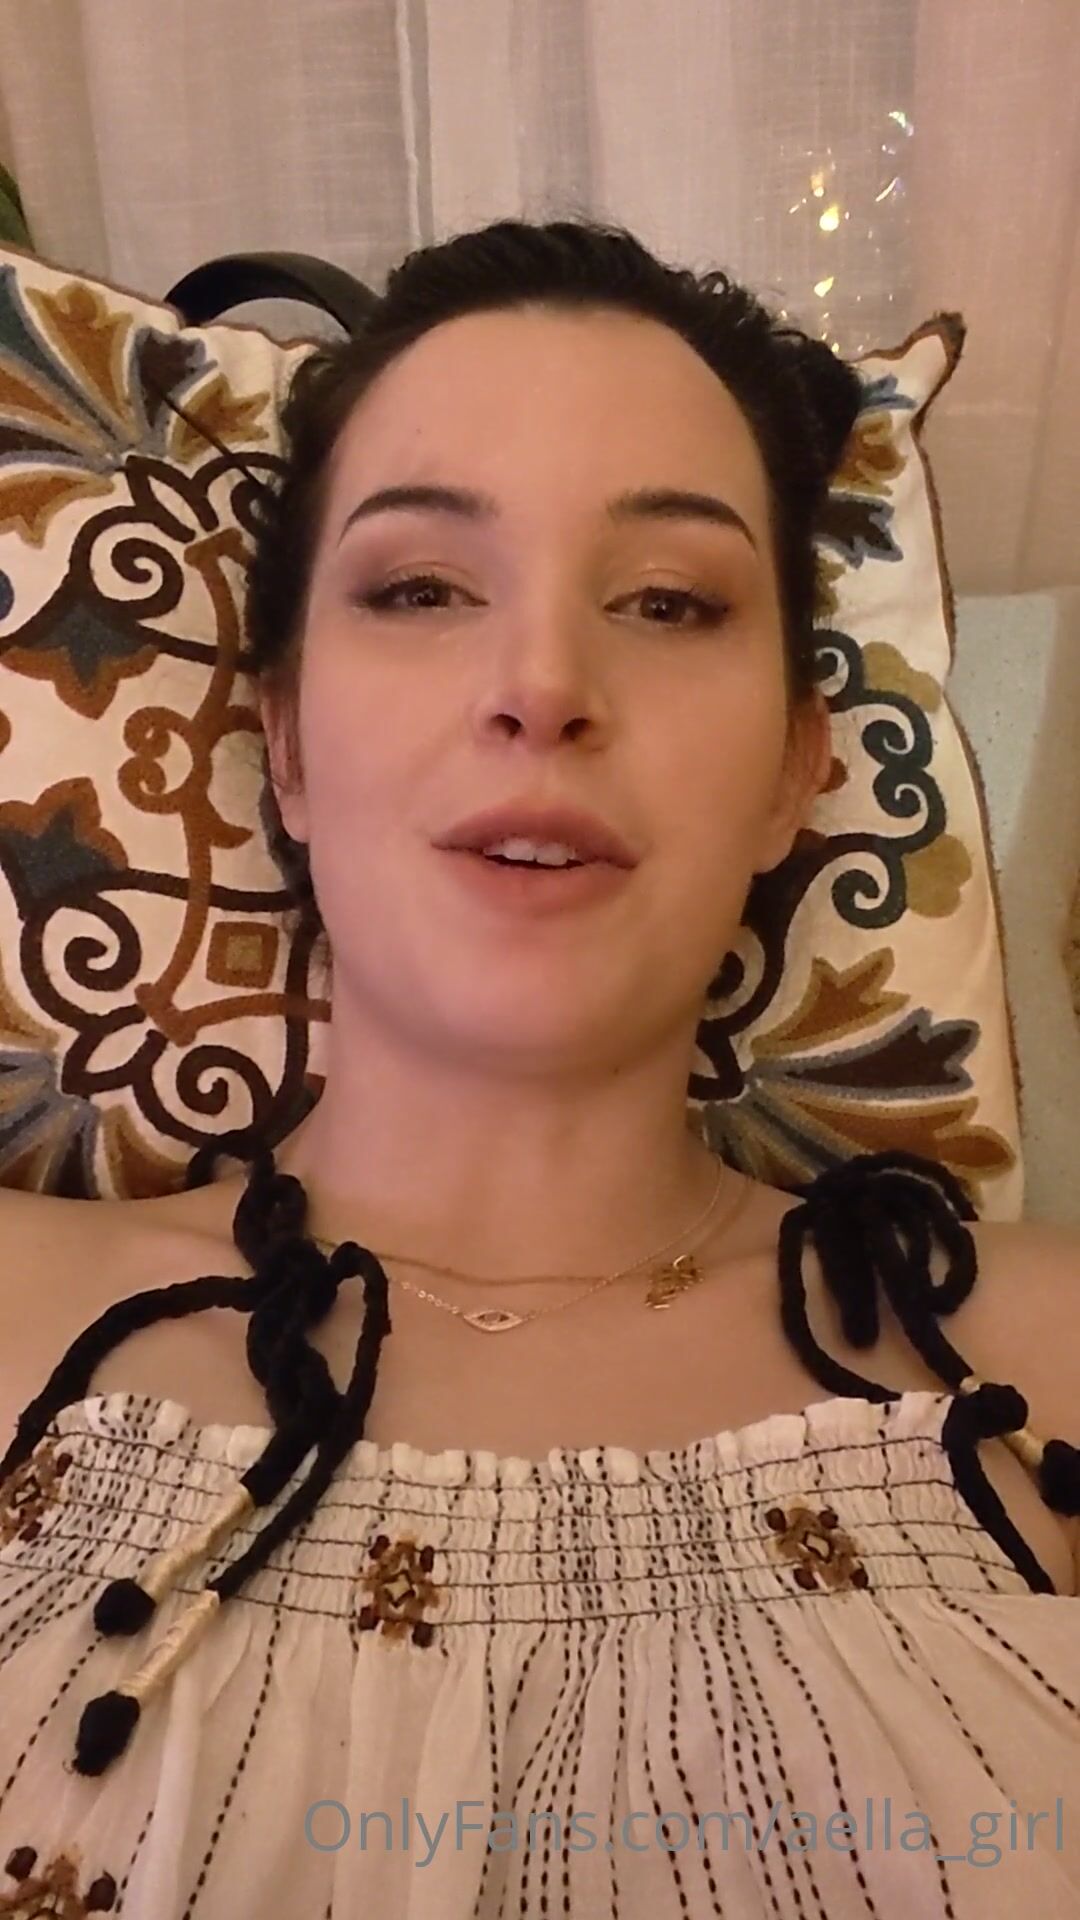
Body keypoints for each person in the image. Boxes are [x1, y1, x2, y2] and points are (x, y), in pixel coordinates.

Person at [0, 215, 1077, 1920]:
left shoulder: (1049, 1376)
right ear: (286, 743)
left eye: (669, 600)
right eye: (421, 588)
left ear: (795, 768)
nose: (545, 686)